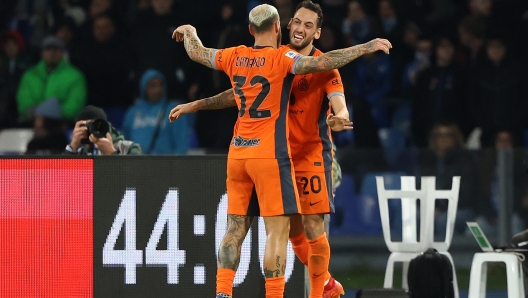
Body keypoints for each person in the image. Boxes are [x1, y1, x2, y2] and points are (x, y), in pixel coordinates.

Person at [171, 3, 391, 298]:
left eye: (308, 25)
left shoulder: (276, 58)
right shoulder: (281, 56)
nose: (301, 28)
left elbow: (336, 94)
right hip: (274, 156)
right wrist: (364, 47)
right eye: (297, 22)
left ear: (318, 32)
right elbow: (239, 93)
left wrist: (339, 116)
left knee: (309, 227)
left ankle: (316, 291)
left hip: (307, 153)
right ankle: (324, 283)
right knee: (288, 232)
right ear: (283, 26)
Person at [16, 35, 87, 124]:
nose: (52, 53)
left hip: (62, 124)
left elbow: (75, 105)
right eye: (48, 49)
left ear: (62, 53)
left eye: (56, 50)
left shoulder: (75, 76)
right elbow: (24, 101)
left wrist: (51, 115)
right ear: (42, 53)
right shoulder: (29, 75)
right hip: (31, 123)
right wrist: (37, 114)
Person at [122, 69, 190, 155]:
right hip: (136, 165)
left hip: (165, 165)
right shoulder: (133, 112)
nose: (157, 90)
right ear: (144, 87)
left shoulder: (174, 110)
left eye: (160, 85)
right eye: (152, 86)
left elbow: (181, 143)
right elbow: (124, 139)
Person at [65, 105, 142, 155]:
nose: (92, 131)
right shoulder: (79, 154)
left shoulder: (128, 148)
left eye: (95, 125)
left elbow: (134, 177)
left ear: (105, 126)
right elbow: (64, 178)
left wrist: (111, 152)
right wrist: (72, 148)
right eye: (87, 126)